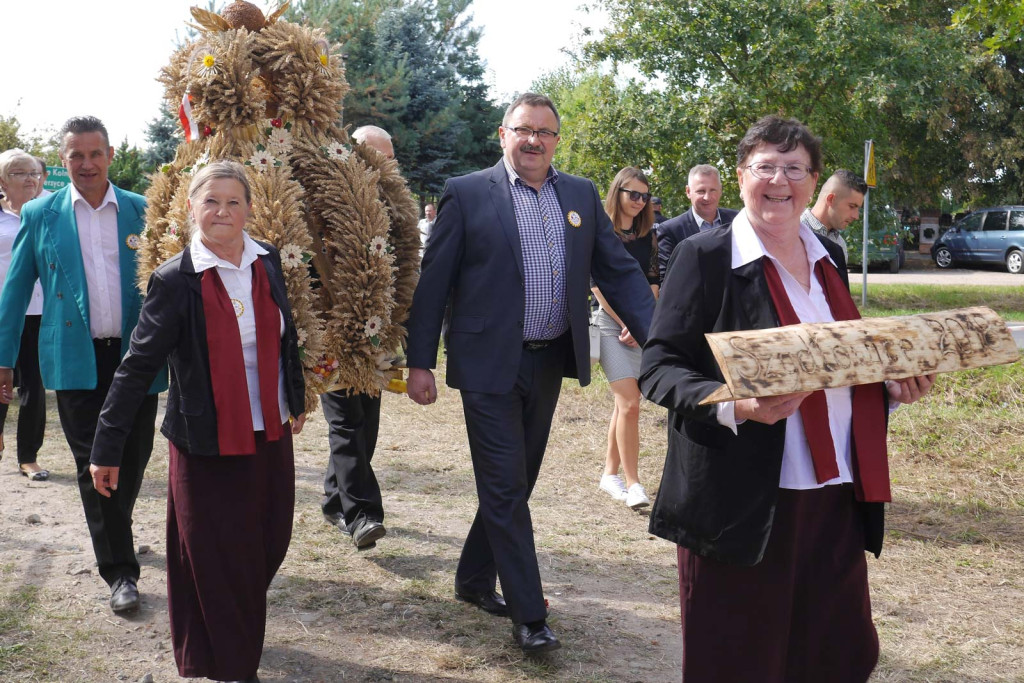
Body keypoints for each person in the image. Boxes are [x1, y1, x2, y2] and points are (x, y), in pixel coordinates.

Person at [639, 115, 935, 682]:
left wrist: (892, 391)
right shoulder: (706, 258)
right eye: (765, 167)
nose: (779, 180)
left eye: (794, 168)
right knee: (738, 658)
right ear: (741, 175)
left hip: (835, 493)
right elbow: (659, 368)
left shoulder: (830, 259)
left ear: (814, 180)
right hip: (741, 498)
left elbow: (842, 363)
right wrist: (735, 403)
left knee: (833, 652)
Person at [405, 93, 655, 654]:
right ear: (503, 134)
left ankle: (472, 579)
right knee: (506, 486)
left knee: (515, 483)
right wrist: (419, 361)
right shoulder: (467, 194)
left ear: (557, 140)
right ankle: (529, 614)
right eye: (523, 130)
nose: (534, 140)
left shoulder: (580, 195)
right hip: (488, 363)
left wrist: (661, 336)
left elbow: (616, 272)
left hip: (547, 361)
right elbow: (433, 284)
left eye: (545, 131)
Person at [90, 160, 306, 683]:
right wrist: (107, 446)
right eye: (211, 201)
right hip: (207, 444)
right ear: (191, 208)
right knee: (223, 559)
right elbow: (137, 366)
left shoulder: (266, 260)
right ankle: (234, 668)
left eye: (234, 202)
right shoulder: (175, 280)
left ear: (251, 209)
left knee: (267, 543)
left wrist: (294, 397)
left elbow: (285, 336)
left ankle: (218, 644)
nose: (223, 212)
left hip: (268, 434)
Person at [0, 116, 167, 615]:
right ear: (63, 161)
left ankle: (118, 525)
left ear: (110, 155)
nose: (86, 164)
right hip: (74, 358)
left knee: (132, 458)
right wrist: (3, 359)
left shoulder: (143, 211)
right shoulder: (41, 213)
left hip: (135, 358)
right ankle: (119, 571)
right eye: (76, 155)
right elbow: (13, 294)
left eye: (95, 154)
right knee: (93, 462)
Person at [319, 124, 397, 549]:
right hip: (336, 332)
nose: (382, 165)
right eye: (373, 155)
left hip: (377, 335)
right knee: (346, 423)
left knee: (366, 426)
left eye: (389, 157)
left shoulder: (393, 208)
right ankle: (363, 514)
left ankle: (335, 500)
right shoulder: (330, 201)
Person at [593, 167, 659, 509]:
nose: (639, 201)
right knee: (630, 404)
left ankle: (610, 474)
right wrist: (627, 322)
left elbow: (652, 283)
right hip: (608, 324)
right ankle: (634, 484)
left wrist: (644, 323)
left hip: (641, 327)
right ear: (616, 192)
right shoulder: (599, 228)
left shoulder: (648, 234)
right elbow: (598, 286)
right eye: (632, 194)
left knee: (626, 406)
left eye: (644, 196)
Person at [0, 149, 47, 479]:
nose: (30, 178)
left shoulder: (51, 214)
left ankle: (28, 457)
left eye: (34, 172)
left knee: (35, 386)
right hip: (3, 316)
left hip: (42, 313)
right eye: (19, 173)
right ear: (3, 181)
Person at [656, 164, 739, 280]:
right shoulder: (671, 230)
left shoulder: (738, 220)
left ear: (720, 190)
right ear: (688, 191)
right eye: (701, 191)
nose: (707, 197)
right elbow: (667, 278)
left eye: (713, 190)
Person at [801, 169, 867, 263]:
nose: (856, 216)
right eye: (852, 206)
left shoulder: (840, 244)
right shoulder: (794, 233)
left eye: (858, 208)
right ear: (831, 199)